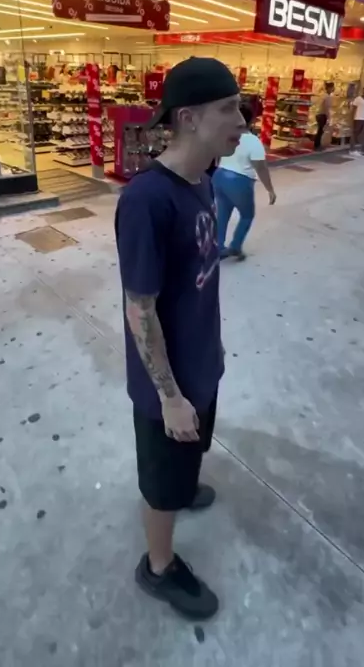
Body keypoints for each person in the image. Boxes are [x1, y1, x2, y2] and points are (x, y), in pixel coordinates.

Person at [115, 57, 244, 620]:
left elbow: (198, 281)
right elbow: (139, 308)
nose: (242, 121)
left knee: (189, 459)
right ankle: (159, 566)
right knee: (161, 484)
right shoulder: (147, 200)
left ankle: (185, 485)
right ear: (188, 118)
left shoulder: (205, 181)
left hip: (201, 365)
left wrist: (210, 350)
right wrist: (169, 395)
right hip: (167, 386)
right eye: (229, 109)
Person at [212, 102, 276, 260]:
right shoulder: (253, 141)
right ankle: (235, 246)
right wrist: (270, 189)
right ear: (252, 120)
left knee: (222, 214)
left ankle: (218, 248)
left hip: (219, 176)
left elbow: (216, 155)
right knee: (247, 215)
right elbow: (261, 168)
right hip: (239, 181)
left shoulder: (225, 135)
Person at [349, 85, 364, 156]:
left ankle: (356, 149)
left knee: (361, 134)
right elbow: (353, 109)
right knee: (355, 134)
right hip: (358, 118)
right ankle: (352, 150)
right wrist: (352, 119)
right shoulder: (358, 98)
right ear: (363, 90)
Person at [314, 81, 334, 150]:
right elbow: (327, 108)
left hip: (319, 114)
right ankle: (317, 145)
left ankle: (317, 144)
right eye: (332, 88)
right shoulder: (327, 97)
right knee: (320, 131)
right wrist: (329, 117)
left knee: (320, 130)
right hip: (322, 115)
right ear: (329, 88)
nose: (333, 89)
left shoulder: (323, 95)